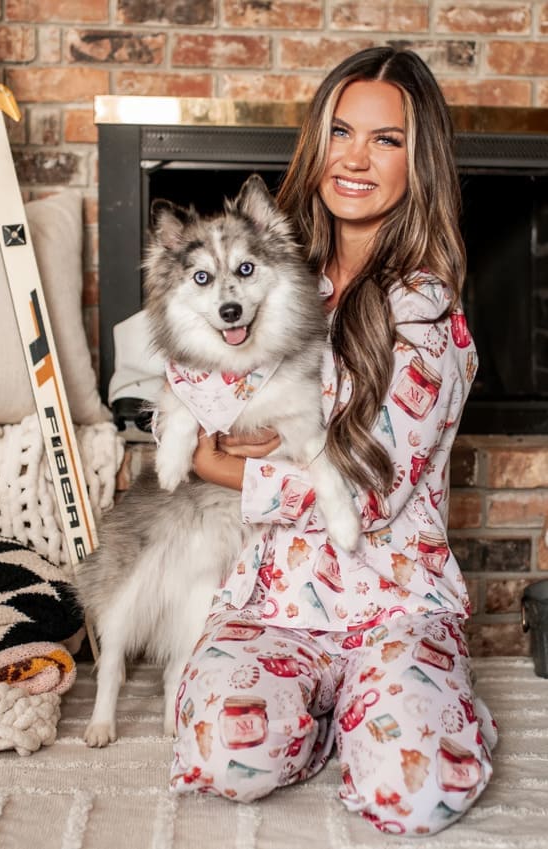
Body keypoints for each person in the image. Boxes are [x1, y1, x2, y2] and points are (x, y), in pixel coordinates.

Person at [168, 46, 497, 836]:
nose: (354, 158)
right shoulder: (270, 277)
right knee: (222, 759)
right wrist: (227, 433)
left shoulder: (426, 309)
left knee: (411, 794)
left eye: (385, 141)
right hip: (273, 601)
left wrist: (221, 464)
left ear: (418, 165)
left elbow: (374, 484)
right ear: (316, 145)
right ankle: (328, 715)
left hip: (395, 607)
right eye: (341, 132)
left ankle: (421, 699)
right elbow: (203, 389)